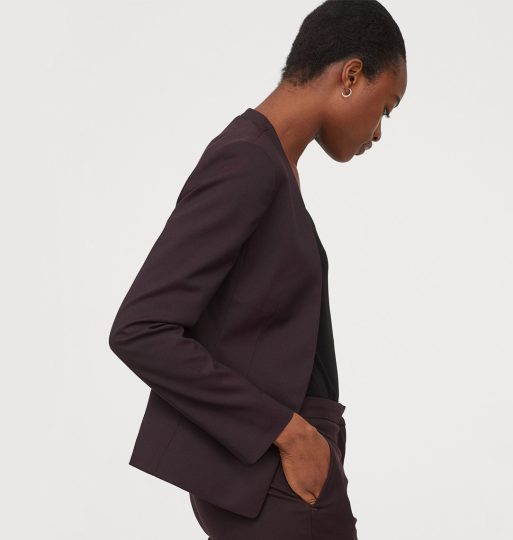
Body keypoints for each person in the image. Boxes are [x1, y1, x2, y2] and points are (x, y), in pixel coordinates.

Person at [108, 1, 407, 538]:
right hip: (276, 477)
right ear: (350, 76)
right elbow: (141, 329)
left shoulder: (272, 164)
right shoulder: (248, 161)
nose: (380, 131)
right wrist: (290, 434)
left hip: (273, 475)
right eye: (386, 108)